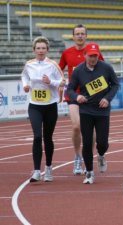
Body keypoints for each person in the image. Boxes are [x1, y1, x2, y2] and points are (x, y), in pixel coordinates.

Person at [67, 43, 119, 184]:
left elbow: (115, 84)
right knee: (88, 141)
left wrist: (107, 99)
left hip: (102, 111)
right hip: (86, 110)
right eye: (90, 56)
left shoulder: (106, 68)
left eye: (95, 56)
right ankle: (89, 172)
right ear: (85, 55)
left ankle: (101, 155)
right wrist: (76, 97)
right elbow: (70, 89)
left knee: (102, 143)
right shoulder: (78, 70)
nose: (93, 58)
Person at [59, 24, 104, 175]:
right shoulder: (67, 52)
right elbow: (58, 69)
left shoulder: (93, 51)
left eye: (82, 34)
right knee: (77, 126)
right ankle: (78, 156)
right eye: (77, 34)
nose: (79, 36)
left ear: (86, 36)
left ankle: (88, 157)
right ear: (73, 36)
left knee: (90, 129)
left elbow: (103, 68)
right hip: (74, 94)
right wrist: (61, 81)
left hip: (92, 95)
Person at [21, 36, 66, 183]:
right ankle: (36, 171)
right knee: (37, 136)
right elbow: (24, 76)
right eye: (38, 48)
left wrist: (50, 81)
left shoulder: (52, 65)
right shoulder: (29, 64)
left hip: (50, 106)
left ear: (47, 50)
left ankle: (48, 168)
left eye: (43, 48)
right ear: (34, 50)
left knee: (47, 137)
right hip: (34, 105)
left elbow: (62, 82)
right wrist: (26, 86)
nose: (41, 51)